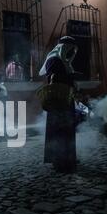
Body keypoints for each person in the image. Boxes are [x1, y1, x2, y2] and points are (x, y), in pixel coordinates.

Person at [39, 36, 78, 173]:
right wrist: (69, 78)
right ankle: (59, 160)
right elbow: (53, 78)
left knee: (67, 130)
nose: (72, 53)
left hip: (66, 99)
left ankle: (68, 157)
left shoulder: (64, 61)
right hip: (58, 101)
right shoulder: (54, 59)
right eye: (70, 49)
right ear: (64, 47)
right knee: (59, 131)